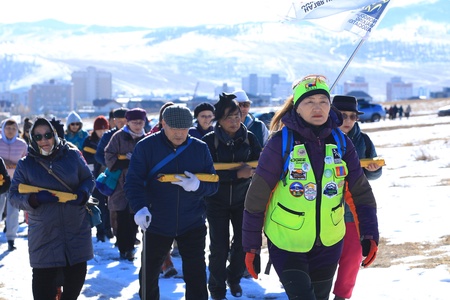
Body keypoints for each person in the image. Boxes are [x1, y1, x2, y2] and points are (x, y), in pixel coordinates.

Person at [242, 75, 379, 300]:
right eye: (309, 102)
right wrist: (251, 246)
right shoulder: (280, 143)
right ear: (297, 108)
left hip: (329, 241)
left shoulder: (342, 143)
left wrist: (370, 232)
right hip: (287, 241)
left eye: (323, 101)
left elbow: (360, 192)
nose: (318, 108)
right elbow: (257, 197)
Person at [125, 105, 219, 300]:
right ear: (163, 124)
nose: (179, 134)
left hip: (192, 221)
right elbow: (133, 182)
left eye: (184, 129)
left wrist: (197, 186)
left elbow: (213, 184)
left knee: (196, 275)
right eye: (174, 129)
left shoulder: (199, 148)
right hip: (156, 220)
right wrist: (140, 208)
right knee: (149, 273)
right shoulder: (146, 146)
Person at [9, 117, 95, 300]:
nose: (44, 140)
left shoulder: (72, 155)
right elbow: (13, 196)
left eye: (47, 135)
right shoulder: (26, 164)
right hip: (44, 239)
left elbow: (88, 179)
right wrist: (34, 199)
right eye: (38, 137)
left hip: (76, 235)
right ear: (32, 139)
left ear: (54, 135)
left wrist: (83, 193)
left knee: (71, 295)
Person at [202, 93, 262, 300]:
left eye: (237, 116)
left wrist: (251, 173)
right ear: (218, 119)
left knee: (243, 244)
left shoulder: (250, 138)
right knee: (218, 247)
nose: (235, 121)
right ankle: (217, 289)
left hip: (242, 200)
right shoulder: (209, 141)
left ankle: (233, 278)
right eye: (229, 117)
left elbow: (260, 164)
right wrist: (235, 174)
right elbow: (206, 173)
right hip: (216, 201)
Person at [332, 95, 383, 300]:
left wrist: (373, 170)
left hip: (353, 210)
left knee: (352, 258)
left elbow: (375, 171)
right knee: (322, 259)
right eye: (343, 115)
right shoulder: (319, 137)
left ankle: (342, 296)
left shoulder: (363, 140)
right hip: (323, 209)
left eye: (353, 116)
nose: (348, 120)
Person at [104, 108, 147, 261]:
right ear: (128, 122)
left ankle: (131, 245)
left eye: (140, 122)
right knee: (121, 217)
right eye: (134, 122)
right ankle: (124, 248)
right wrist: (123, 161)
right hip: (120, 185)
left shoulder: (146, 138)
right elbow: (108, 155)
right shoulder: (118, 137)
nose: (137, 125)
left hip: (138, 184)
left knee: (134, 216)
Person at [95, 107, 129, 239]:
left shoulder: (135, 134)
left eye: (124, 120)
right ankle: (117, 235)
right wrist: (112, 163)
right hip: (113, 176)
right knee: (115, 207)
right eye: (118, 120)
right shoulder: (108, 136)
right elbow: (99, 155)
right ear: (114, 121)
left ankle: (130, 237)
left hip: (130, 175)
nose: (121, 123)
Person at [82, 115, 112, 242]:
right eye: (100, 130)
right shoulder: (88, 142)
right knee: (99, 205)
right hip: (95, 178)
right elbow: (86, 160)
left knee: (109, 205)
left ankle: (108, 229)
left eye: (105, 130)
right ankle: (100, 231)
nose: (102, 133)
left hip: (109, 177)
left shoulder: (111, 139)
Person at [0, 118, 28, 251]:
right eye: (8, 128)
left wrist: (17, 165)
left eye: (13, 129)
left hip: (15, 182)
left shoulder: (21, 144)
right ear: (3, 129)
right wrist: (4, 162)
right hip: (0, 181)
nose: (10, 131)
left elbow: (26, 161)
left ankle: (11, 238)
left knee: (13, 211)